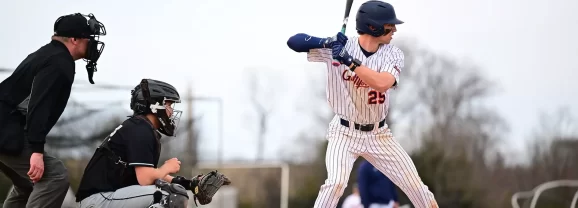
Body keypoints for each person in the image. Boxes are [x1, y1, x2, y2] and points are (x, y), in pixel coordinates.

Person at [286, 1, 439, 208]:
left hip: (379, 134)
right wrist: (327, 42)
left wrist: (349, 61)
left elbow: (382, 83)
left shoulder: (392, 54)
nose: (394, 29)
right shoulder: (338, 48)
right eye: (388, 25)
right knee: (335, 183)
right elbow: (293, 42)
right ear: (372, 26)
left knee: (416, 186)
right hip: (343, 132)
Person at [0, 12, 106, 208]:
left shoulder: (48, 53)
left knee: (29, 183)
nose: (92, 44)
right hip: (6, 129)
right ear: (74, 40)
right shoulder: (59, 62)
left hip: (7, 127)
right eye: (88, 38)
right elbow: (38, 105)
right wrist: (36, 150)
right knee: (55, 176)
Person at [75, 78, 230, 208]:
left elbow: (150, 175)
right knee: (170, 196)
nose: (171, 111)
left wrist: (188, 183)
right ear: (155, 106)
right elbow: (145, 179)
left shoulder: (139, 127)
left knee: (171, 190)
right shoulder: (140, 130)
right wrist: (166, 168)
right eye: (168, 104)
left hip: (105, 198)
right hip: (99, 200)